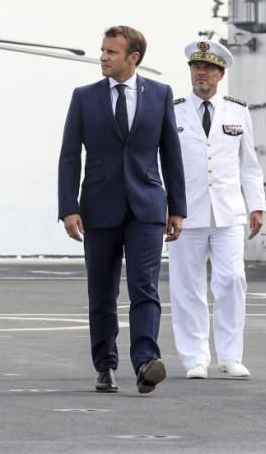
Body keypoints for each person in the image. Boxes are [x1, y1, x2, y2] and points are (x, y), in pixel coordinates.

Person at [57, 25, 186, 394]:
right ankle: (105, 365)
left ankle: (146, 361)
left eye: (111, 52)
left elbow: (170, 154)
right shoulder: (84, 97)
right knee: (102, 292)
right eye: (102, 50)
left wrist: (177, 208)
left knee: (145, 287)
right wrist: (69, 208)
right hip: (98, 208)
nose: (103, 57)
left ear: (134, 57)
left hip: (146, 206)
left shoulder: (159, 94)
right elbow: (69, 157)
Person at [169, 39, 264, 380]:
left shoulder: (237, 111)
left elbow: (249, 165)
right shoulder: (173, 109)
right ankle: (195, 357)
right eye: (196, 67)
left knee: (233, 280)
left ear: (221, 73)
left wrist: (257, 206)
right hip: (184, 212)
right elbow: (160, 162)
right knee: (186, 286)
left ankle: (230, 356)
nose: (201, 74)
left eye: (208, 68)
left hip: (228, 212)